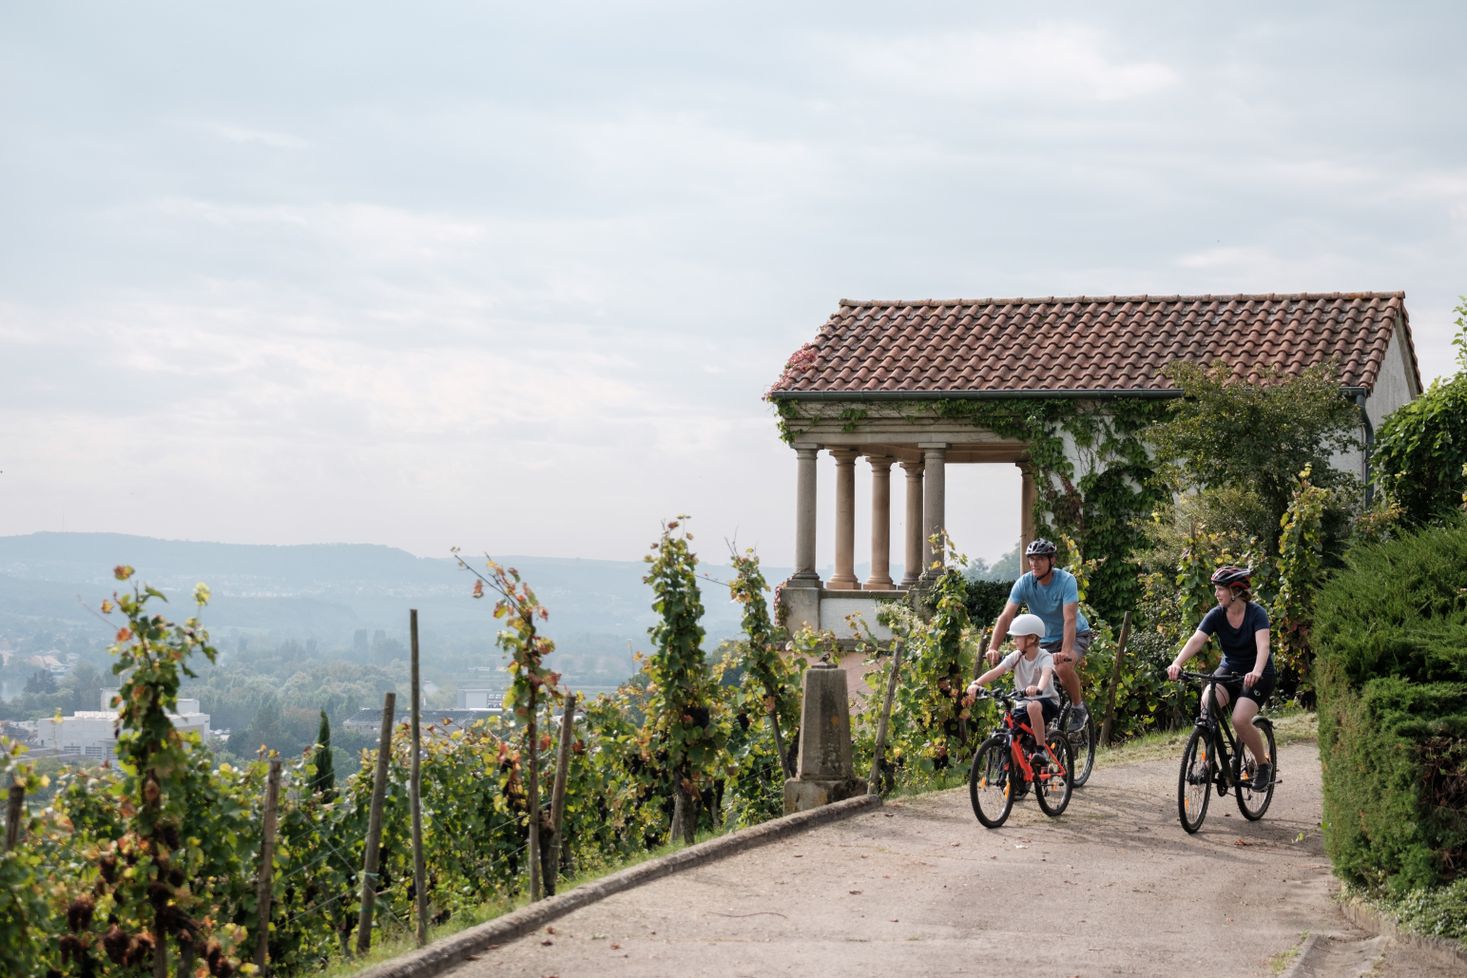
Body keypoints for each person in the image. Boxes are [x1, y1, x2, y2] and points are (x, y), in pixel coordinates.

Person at [1166, 565, 1276, 785]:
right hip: (1230, 669)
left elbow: (1263, 647)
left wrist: (1256, 671)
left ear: (1235, 590)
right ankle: (1209, 763)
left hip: (1259, 673)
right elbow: (1197, 639)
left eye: (1220, 589)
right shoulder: (1217, 614)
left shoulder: (1257, 613)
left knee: (1239, 720)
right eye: (1216, 589)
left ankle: (1263, 764)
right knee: (1207, 705)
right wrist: (1177, 662)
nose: (1216, 594)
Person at [987, 538, 1093, 731]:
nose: (1034, 563)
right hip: (1044, 639)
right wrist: (993, 647)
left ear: (1051, 561)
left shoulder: (1066, 581)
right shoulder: (1024, 583)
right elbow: (1006, 617)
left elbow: (1069, 619)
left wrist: (1065, 652)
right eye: (1031, 559)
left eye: (1040, 559)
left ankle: (1078, 708)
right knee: (1030, 676)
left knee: (1062, 667)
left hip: (1074, 634)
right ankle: (1042, 727)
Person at [966, 613, 1061, 769]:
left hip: (1046, 701)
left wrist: (1038, 688)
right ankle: (1017, 779)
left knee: (1033, 706)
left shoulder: (1045, 657)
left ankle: (1041, 749)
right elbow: (995, 672)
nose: (1014, 640)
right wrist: (976, 683)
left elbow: (1046, 674)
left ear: (1031, 639)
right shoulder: (1016, 656)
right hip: (1023, 704)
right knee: (1012, 740)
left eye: (1017, 637)